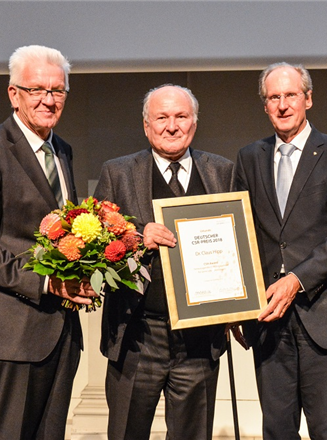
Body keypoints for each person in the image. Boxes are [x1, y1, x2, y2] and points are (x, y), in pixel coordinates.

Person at [0, 45, 97, 439]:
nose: (49, 100)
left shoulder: (61, 150)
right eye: (37, 90)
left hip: (60, 327)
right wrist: (46, 282)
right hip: (12, 329)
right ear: (14, 94)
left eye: (58, 91)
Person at [93, 84, 234, 440]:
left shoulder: (222, 172)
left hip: (200, 341)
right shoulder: (118, 173)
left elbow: (240, 245)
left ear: (194, 123)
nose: (172, 126)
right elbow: (95, 249)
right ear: (146, 126)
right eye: (162, 117)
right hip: (138, 334)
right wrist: (139, 237)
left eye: (181, 116)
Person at [234, 62, 327, 439]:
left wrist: (296, 281)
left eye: (291, 95)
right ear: (264, 105)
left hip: (321, 315)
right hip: (268, 319)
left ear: (308, 98)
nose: (283, 105)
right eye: (274, 97)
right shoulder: (249, 157)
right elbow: (242, 234)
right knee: (276, 429)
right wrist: (235, 304)